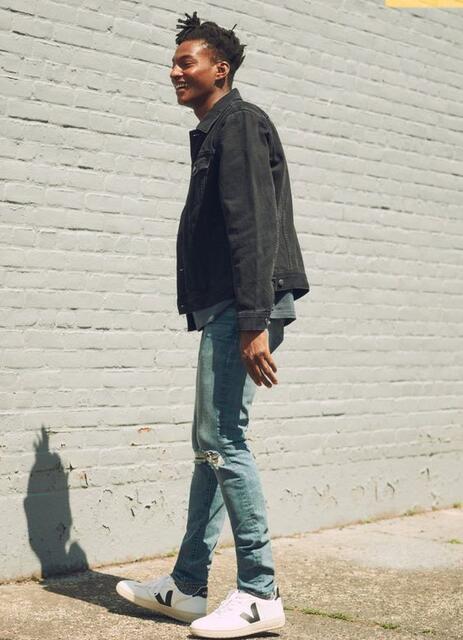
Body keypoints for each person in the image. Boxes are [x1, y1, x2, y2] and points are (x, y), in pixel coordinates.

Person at [116, 11, 310, 639]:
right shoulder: (217, 130)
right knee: (211, 447)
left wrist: (254, 319)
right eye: (173, 63)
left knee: (223, 439)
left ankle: (259, 592)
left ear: (219, 69)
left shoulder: (240, 123)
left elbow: (253, 225)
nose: (174, 71)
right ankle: (187, 585)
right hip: (233, 305)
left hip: (243, 306)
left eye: (186, 62)